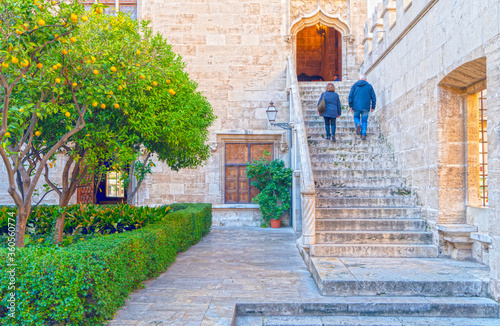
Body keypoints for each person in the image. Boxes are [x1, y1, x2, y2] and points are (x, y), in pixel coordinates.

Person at [348, 74, 376, 140]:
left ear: (359, 79)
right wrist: (373, 107)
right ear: (365, 79)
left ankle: (358, 124)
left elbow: (350, 97)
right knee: (364, 120)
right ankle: (363, 134)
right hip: (366, 106)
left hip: (356, 106)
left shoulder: (354, 86)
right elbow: (373, 97)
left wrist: (351, 106)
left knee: (356, 117)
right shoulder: (369, 86)